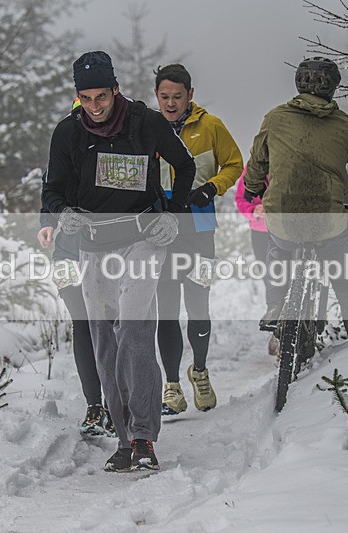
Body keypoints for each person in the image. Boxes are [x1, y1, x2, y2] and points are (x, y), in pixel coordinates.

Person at [42, 51, 196, 472]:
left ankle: (145, 436)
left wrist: (175, 214)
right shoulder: (67, 134)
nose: (95, 106)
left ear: (116, 90)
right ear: (78, 96)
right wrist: (64, 214)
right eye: (86, 98)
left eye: (102, 96)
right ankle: (125, 441)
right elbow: (51, 192)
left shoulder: (145, 122)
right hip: (95, 247)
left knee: (134, 331)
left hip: (143, 240)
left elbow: (184, 165)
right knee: (104, 343)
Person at [243, 57, 348, 341]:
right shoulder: (346, 126)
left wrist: (253, 188)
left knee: (277, 250)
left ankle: (275, 306)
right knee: (346, 282)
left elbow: (257, 161)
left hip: (283, 217)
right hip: (328, 221)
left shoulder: (275, 118)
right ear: (333, 87)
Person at [153, 64, 243, 415]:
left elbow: (234, 165)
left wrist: (211, 187)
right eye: (164, 97)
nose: (171, 103)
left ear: (191, 95)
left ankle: (200, 371)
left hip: (201, 229)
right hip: (161, 232)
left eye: (177, 96)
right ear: (156, 96)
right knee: (167, 310)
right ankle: (172, 385)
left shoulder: (211, 127)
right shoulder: (148, 128)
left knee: (199, 306)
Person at [37, 191, 115, 437]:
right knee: (82, 324)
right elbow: (50, 192)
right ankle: (94, 406)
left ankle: (115, 405)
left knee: (110, 325)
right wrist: (47, 223)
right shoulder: (61, 157)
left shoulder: (108, 155)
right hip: (67, 255)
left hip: (109, 253)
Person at [234, 167, 279, 355]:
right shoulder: (251, 170)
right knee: (270, 279)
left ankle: (290, 328)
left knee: (288, 277)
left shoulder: (287, 163)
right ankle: (277, 328)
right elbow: (240, 199)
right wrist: (254, 210)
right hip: (260, 232)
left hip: (285, 230)